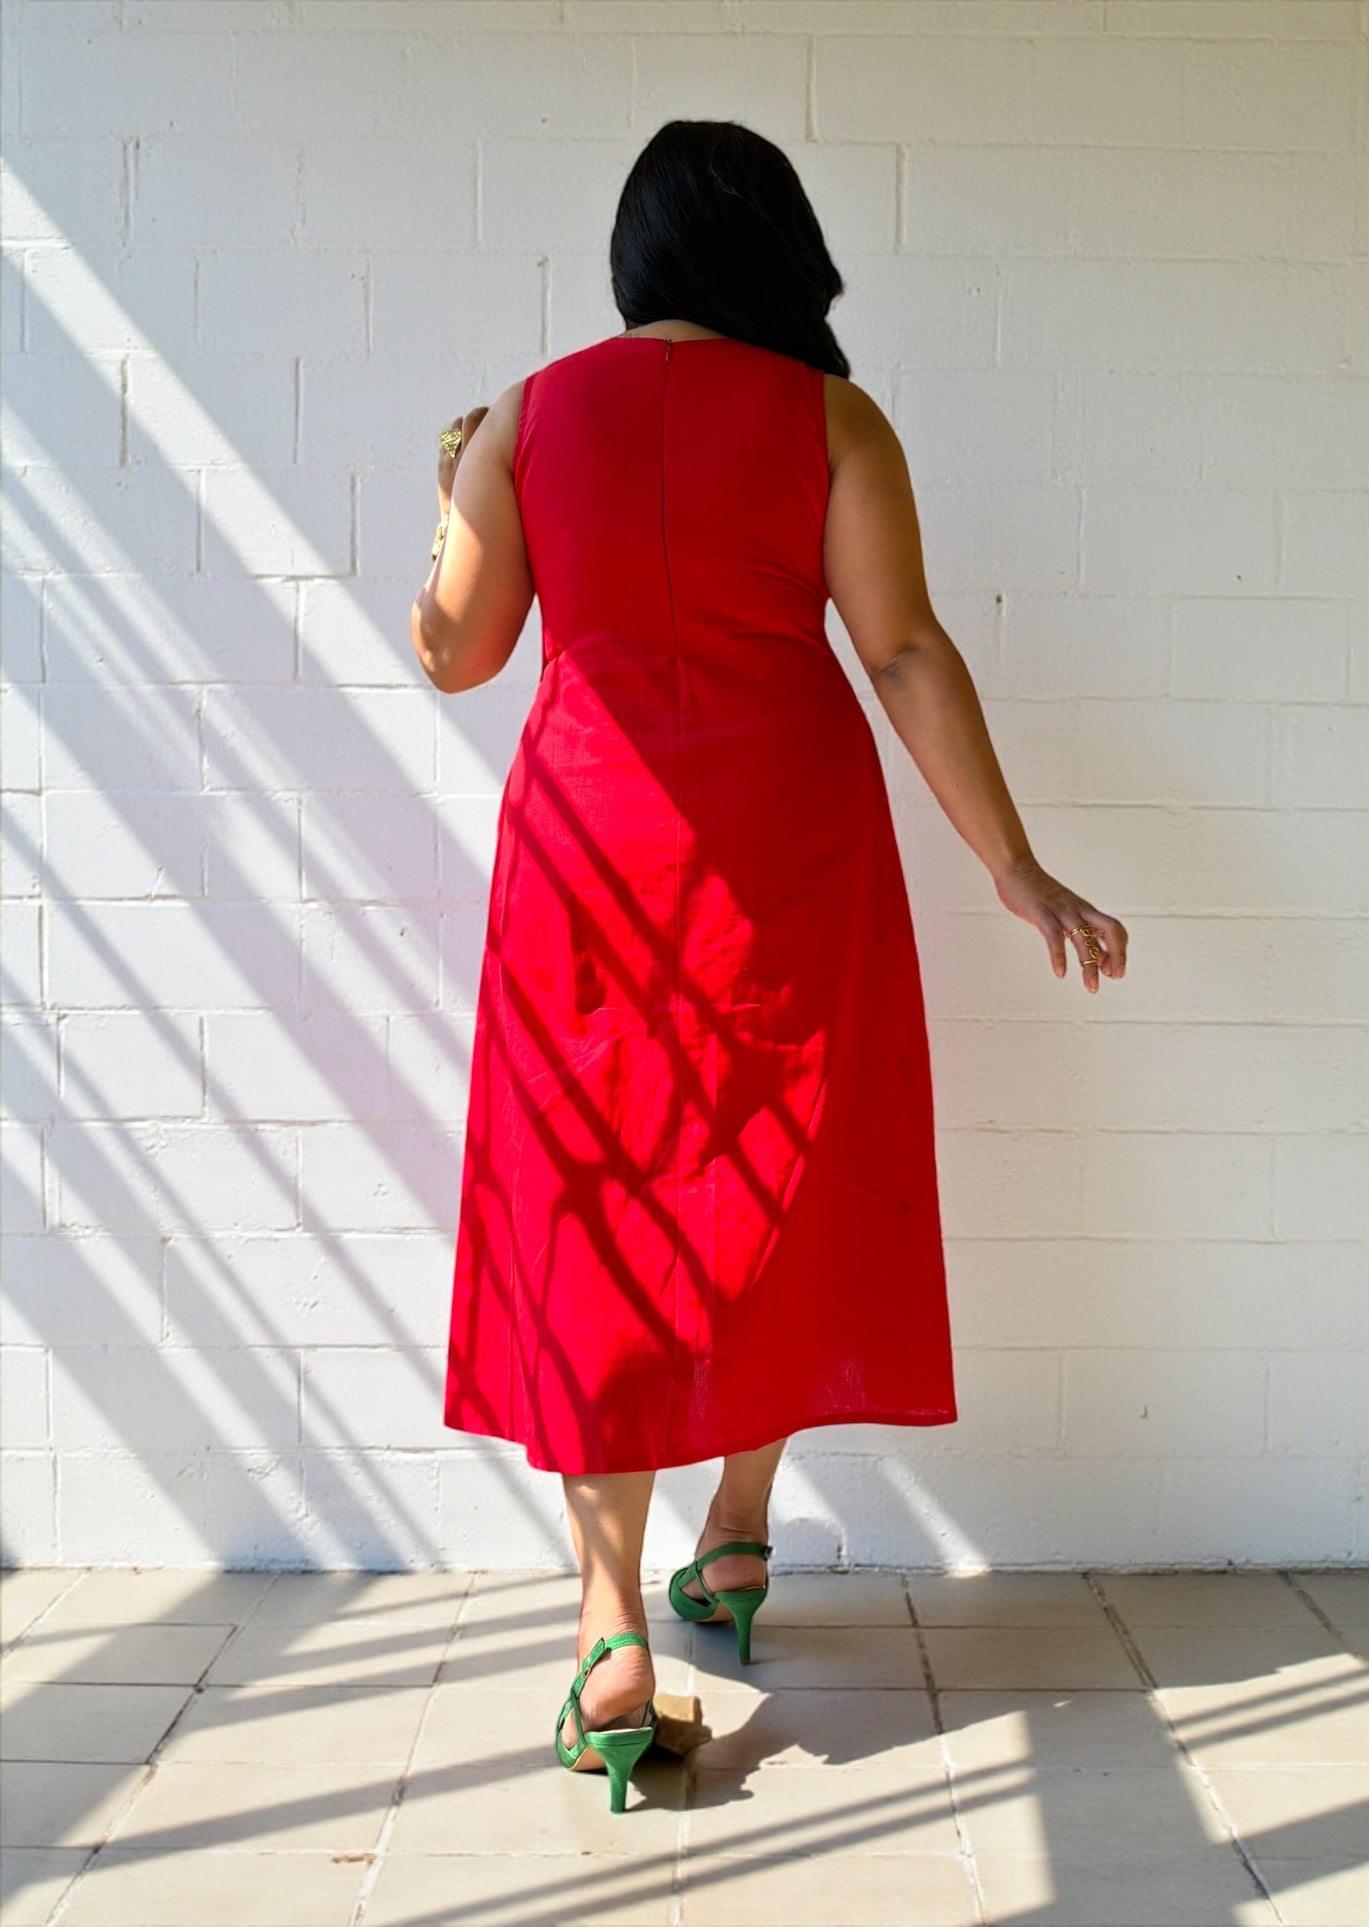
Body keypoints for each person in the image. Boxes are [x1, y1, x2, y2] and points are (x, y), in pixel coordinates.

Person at [411, 119, 1128, 1813]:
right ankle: (733, 1535)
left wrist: (454, 499)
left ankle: (608, 1631)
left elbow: (456, 653)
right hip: (789, 849)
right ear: (778, 254)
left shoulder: (525, 416)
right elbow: (902, 648)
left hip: (589, 852)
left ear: (635, 256)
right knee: (772, 1182)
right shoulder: (831, 419)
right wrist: (1012, 865)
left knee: (591, 1203)